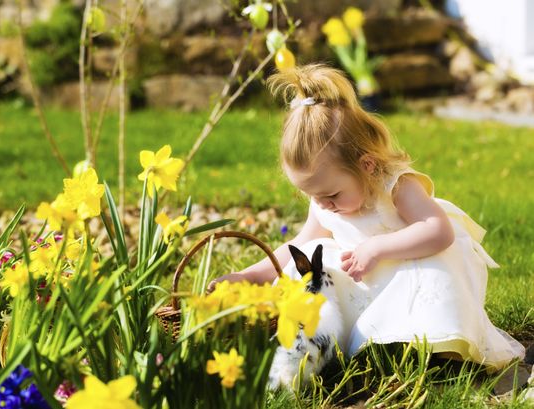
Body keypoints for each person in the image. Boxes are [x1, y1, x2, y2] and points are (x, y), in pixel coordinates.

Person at [207, 63, 525, 370]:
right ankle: (342, 340)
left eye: (331, 195)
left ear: (367, 166)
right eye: (311, 196)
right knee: (310, 268)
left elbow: (439, 232)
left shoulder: (396, 186)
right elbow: (299, 247)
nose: (322, 204)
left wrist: (377, 248)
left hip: (407, 265)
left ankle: (433, 348)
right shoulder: (324, 201)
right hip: (364, 279)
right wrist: (245, 276)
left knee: (435, 270)